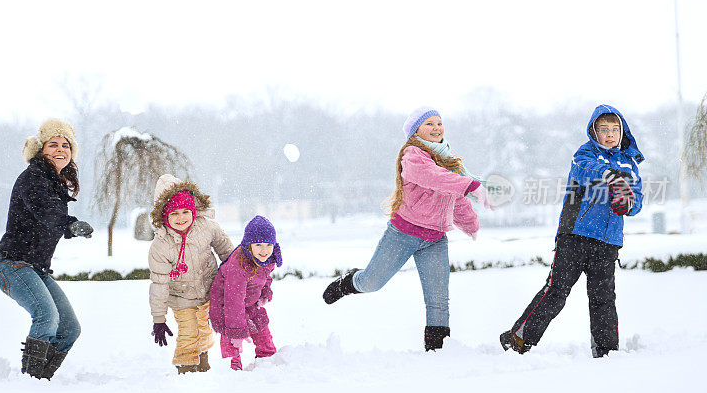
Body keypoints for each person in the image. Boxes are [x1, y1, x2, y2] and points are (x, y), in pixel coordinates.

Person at [323, 106, 493, 351]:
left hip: (435, 239)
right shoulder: (413, 155)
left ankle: (437, 352)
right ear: (416, 131)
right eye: (429, 124)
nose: (436, 128)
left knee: (438, 301)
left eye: (439, 123)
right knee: (372, 283)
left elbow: (454, 195)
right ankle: (349, 282)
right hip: (403, 234)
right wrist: (472, 184)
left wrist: (471, 224)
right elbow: (435, 178)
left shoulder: (448, 160)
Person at [500, 104, 644, 358]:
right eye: (604, 129)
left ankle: (607, 351)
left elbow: (638, 201)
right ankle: (518, 339)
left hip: (608, 241)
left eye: (615, 129)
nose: (610, 134)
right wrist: (610, 175)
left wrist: (629, 203)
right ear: (594, 131)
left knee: (603, 299)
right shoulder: (585, 154)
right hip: (574, 236)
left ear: (622, 133)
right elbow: (584, 170)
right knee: (556, 291)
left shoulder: (629, 163)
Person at [0, 119, 94, 380]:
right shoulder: (34, 178)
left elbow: (52, 214)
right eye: (53, 144)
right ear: (41, 150)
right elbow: (47, 213)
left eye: (65, 145)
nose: (60, 149)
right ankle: (30, 383)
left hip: (37, 270)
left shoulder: (53, 182)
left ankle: (42, 379)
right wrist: (71, 225)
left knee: (70, 329)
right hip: (12, 264)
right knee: (46, 317)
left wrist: (70, 225)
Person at [148, 174, 233, 374]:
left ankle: (202, 364)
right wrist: (159, 318)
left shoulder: (207, 228)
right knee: (188, 333)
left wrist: (234, 278)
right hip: (181, 297)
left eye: (186, 211)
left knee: (203, 330)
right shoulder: (160, 246)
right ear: (164, 216)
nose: (181, 218)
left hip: (209, 291)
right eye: (174, 213)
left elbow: (227, 252)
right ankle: (185, 369)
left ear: (193, 210)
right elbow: (158, 283)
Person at [210, 215, 282, 371]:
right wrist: (236, 333)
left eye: (268, 245)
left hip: (249, 303)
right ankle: (232, 371)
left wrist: (264, 292)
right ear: (249, 245)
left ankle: (267, 360)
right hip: (226, 308)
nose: (264, 250)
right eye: (258, 245)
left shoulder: (266, 259)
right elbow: (233, 301)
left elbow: (265, 277)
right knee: (231, 342)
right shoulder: (239, 265)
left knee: (262, 329)